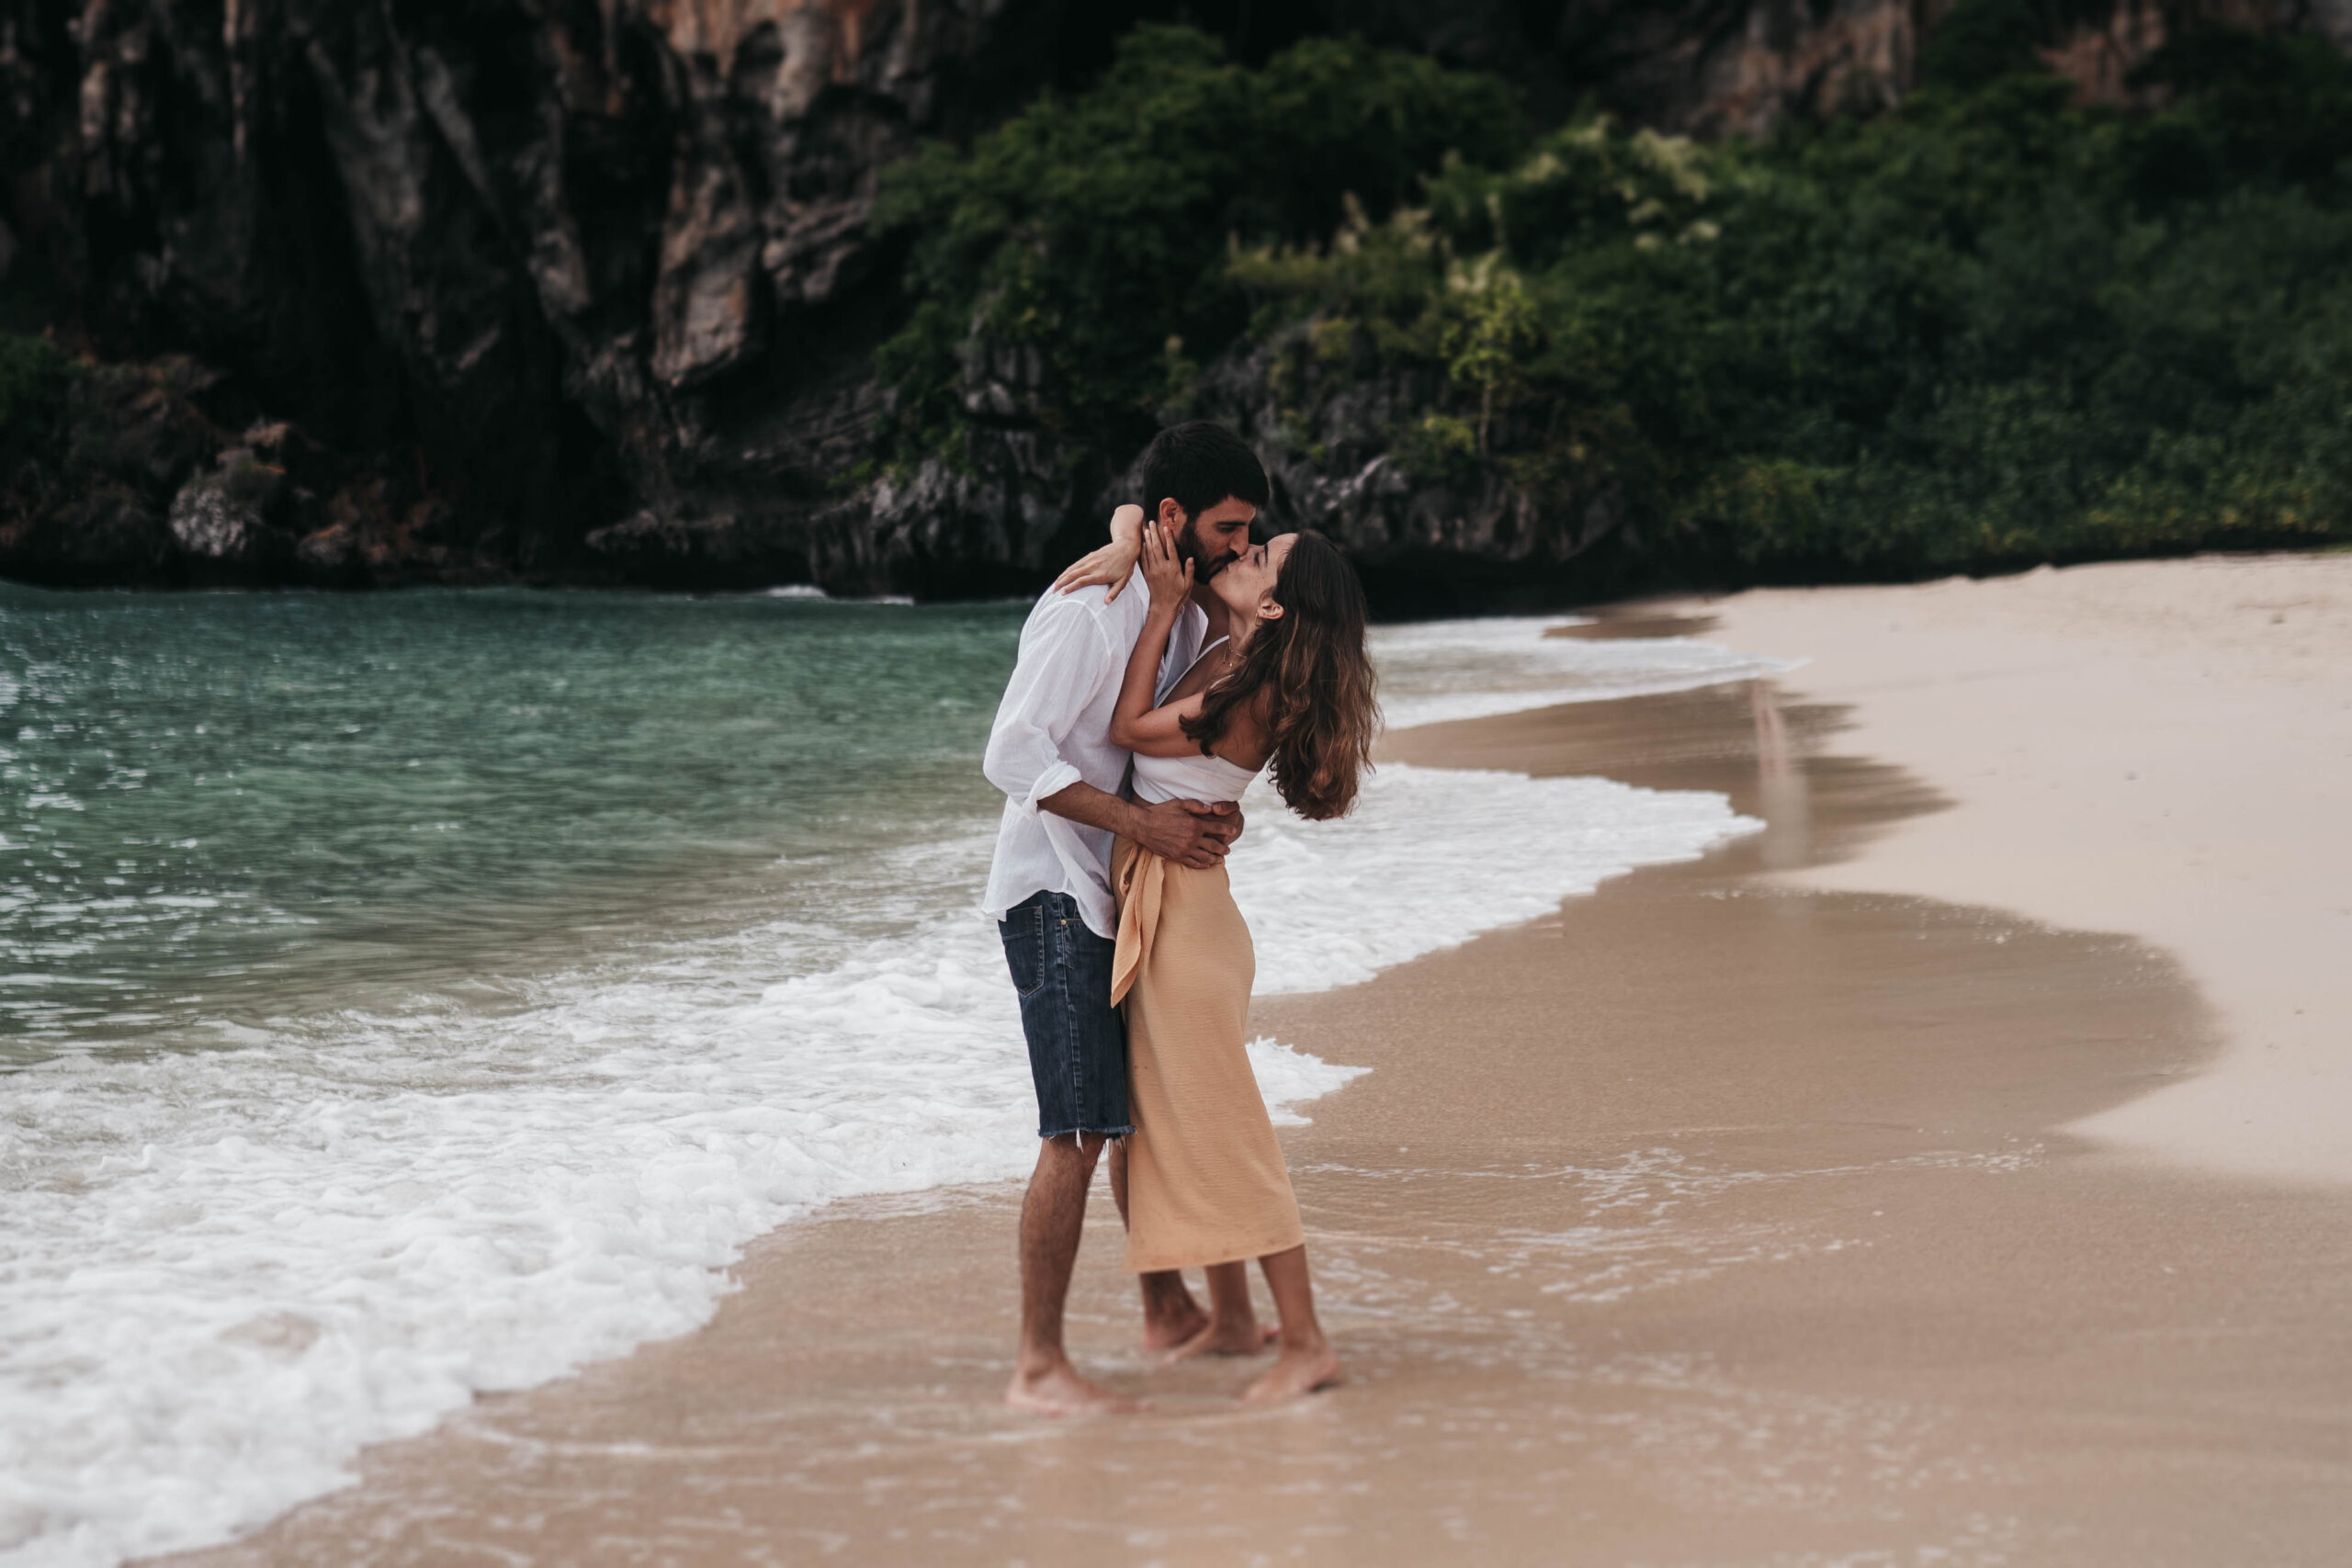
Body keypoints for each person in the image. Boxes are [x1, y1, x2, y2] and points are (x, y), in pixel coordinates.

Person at [980, 421, 1268, 1415]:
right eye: (1229, 528)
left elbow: (1159, 738)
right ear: (1178, 518)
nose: (1240, 547)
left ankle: (1168, 1314)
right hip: (1052, 890)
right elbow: (1010, 757)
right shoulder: (1087, 608)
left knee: (1131, 1118)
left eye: (1250, 533)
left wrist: (1206, 805)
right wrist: (1141, 821)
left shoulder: (1177, 607)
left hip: (1116, 892)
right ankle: (1037, 1367)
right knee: (1076, 1131)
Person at [1101, 520, 1378, 1404]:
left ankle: (1306, 1342)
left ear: (1272, 602)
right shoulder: (1240, 665)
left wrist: (1163, 609)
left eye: (1258, 558)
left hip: (1185, 928)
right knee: (1183, 1122)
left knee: (1228, 1132)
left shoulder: (1241, 686)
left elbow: (1127, 728)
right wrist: (1129, 551)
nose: (1238, 552)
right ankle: (1228, 1318)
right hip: (1187, 913)